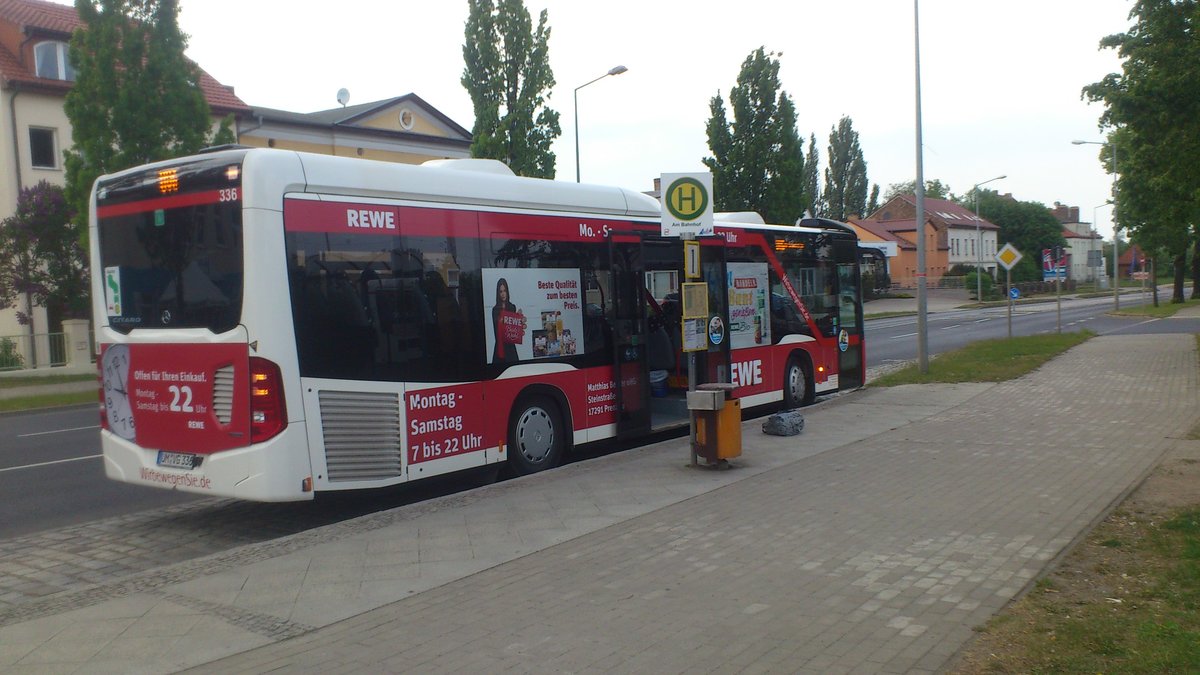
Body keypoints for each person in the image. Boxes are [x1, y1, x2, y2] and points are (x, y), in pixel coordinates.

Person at [491, 277, 522, 363]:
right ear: (498, 293)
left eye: (504, 291)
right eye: (501, 291)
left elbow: (514, 331)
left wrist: (518, 318)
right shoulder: (495, 310)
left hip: (510, 348)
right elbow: (496, 332)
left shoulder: (512, 307)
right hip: (499, 348)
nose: (503, 294)